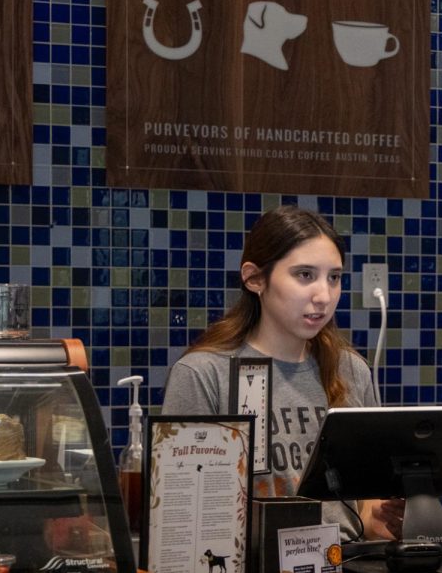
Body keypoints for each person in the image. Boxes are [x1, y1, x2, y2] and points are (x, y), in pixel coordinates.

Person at [161, 205, 402, 541]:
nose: (324, 295)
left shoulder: (351, 370)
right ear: (254, 278)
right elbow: (182, 510)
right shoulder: (204, 373)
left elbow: (365, 508)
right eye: (305, 275)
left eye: (334, 277)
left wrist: (381, 517)